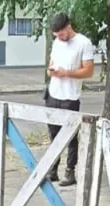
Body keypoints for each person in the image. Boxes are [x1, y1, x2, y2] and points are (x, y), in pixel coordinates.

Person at [44, 13, 95, 188]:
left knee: (71, 136)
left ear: (68, 26)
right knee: (53, 134)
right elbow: (51, 63)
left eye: (61, 34)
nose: (59, 38)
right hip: (53, 94)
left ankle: (70, 171)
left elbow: (88, 71)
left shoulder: (83, 43)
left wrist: (67, 73)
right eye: (56, 36)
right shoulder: (57, 43)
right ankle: (53, 169)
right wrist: (51, 71)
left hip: (70, 97)